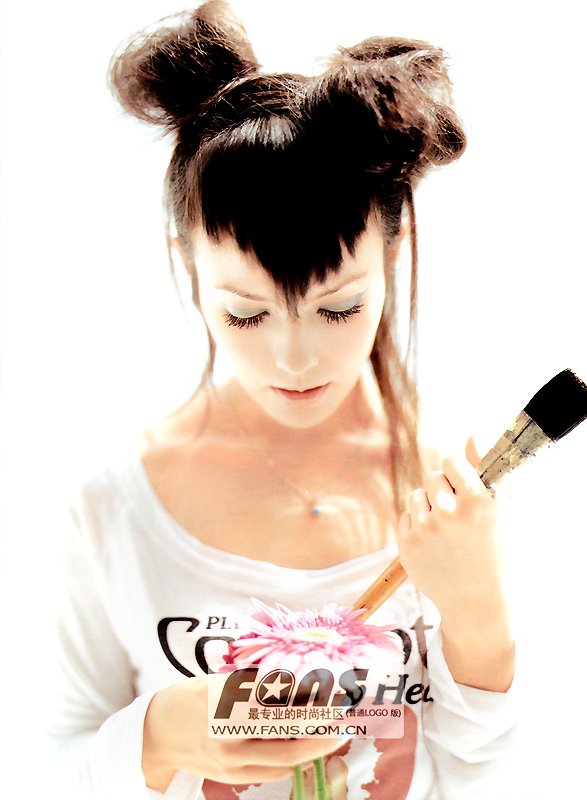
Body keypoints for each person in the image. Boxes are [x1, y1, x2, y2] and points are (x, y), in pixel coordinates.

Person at [46, 2, 518, 798]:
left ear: (393, 250)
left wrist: (474, 606)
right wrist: (158, 736)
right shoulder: (114, 505)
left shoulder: (458, 493)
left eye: (339, 308)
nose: (295, 359)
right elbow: (46, 767)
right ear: (188, 265)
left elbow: (502, 775)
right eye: (245, 313)